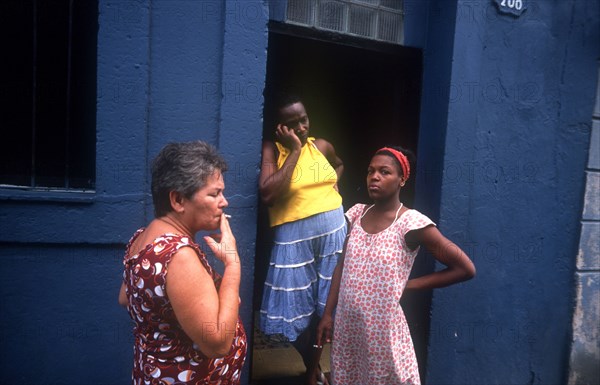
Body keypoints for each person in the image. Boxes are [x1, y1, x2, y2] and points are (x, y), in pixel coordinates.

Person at [316, 146, 476, 385]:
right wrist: (328, 314)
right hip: (349, 327)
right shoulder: (357, 214)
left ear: (402, 179)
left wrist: (408, 285)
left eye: (384, 172)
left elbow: (465, 268)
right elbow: (341, 265)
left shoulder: (411, 224)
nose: (375, 177)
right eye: (371, 171)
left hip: (382, 331)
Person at [118, 141, 247, 384]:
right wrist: (232, 264)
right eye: (215, 193)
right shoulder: (179, 256)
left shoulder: (143, 237)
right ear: (178, 200)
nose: (225, 202)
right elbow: (217, 343)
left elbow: (126, 297)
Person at [258, 94, 347, 384]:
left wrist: (331, 188)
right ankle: (312, 366)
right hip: (293, 240)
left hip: (333, 235)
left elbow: (339, 165)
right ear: (279, 127)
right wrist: (295, 150)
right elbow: (269, 194)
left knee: (327, 308)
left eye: (303, 120)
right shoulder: (272, 150)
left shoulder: (322, 146)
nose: (301, 127)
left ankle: (313, 372)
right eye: (292, 124)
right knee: (295, 309)